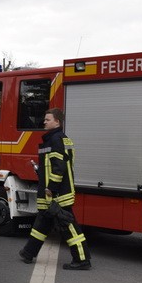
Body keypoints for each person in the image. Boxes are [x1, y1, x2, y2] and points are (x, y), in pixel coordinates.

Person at [18, 108, 92, 270]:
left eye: (48, 119)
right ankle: (28, 252)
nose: (44, 121)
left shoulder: (55, 139)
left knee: (68, 226)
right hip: (54, 190)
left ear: (57, 122)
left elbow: (59, 168)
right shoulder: (59, 138)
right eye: (44, 119)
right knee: (43, 220)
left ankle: (82, 259)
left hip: (57, 193)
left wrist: (51, 188)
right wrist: (40, 171)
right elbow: (54, 165)